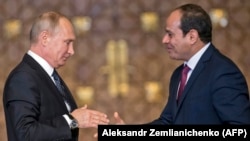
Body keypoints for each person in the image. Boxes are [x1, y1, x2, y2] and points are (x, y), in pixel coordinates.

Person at [114, 3, 250, 124]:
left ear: (192, 37)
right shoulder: (179, 74)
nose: (164, 40)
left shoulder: (223, 73)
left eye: (170, 34)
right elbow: (168, 122)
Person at [3, 11, 110, 141]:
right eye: (67, 42)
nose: (72, 51)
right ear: (45, 38)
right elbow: (24, 134)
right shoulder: (23, 78)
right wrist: (73, 120)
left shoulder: (49, 75)